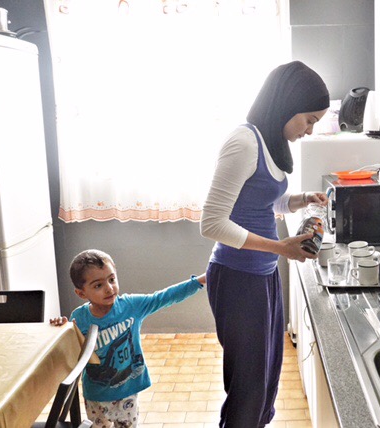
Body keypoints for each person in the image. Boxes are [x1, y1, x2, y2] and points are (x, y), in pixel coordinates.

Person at [200, 60, 330, 427]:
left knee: (266, 377)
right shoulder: (243, 142)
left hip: (262, 275)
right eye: (309, 120)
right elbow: (211, 223)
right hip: (238, 279)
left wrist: (302, 199)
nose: (308, 130)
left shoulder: (268, 143)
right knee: (249, 387)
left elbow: (259, 201)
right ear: (287, 104)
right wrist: (280, 248)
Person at [50, 249, 206, 428]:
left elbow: (165, 297)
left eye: (112, 279)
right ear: (81, 293)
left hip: (127, 393)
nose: (109, 288)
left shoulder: (132, 306)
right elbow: (69, 352)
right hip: (96, 396)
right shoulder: (79, 317)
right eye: (98, 285)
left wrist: (199, 281)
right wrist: (62, 327)